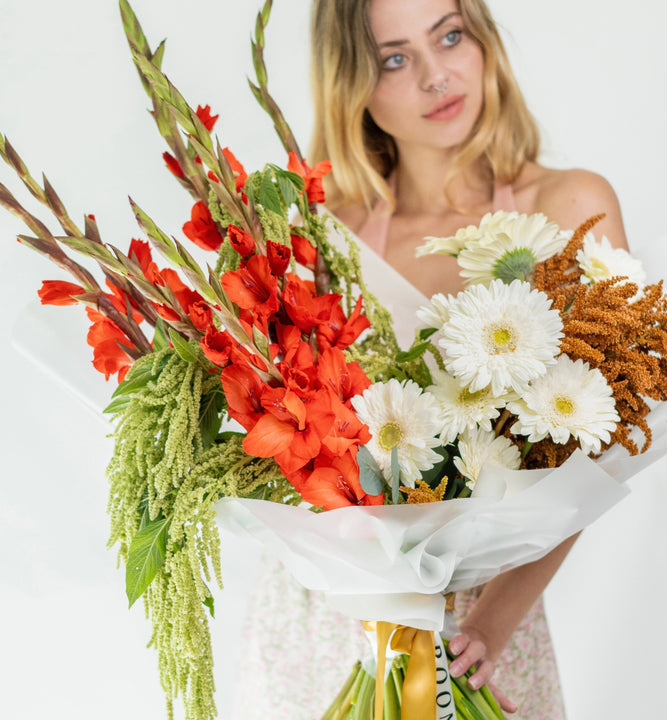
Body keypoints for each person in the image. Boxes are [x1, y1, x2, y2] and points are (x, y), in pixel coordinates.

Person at [237, 0, 629, 718]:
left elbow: (604, 444)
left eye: (450, 35)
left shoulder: (570, 207)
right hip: (328, 624)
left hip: (484, 635)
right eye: (394, 57)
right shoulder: (322, 235)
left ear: (481, 40)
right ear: (353, 83)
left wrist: (491, 622)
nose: (435, 75)